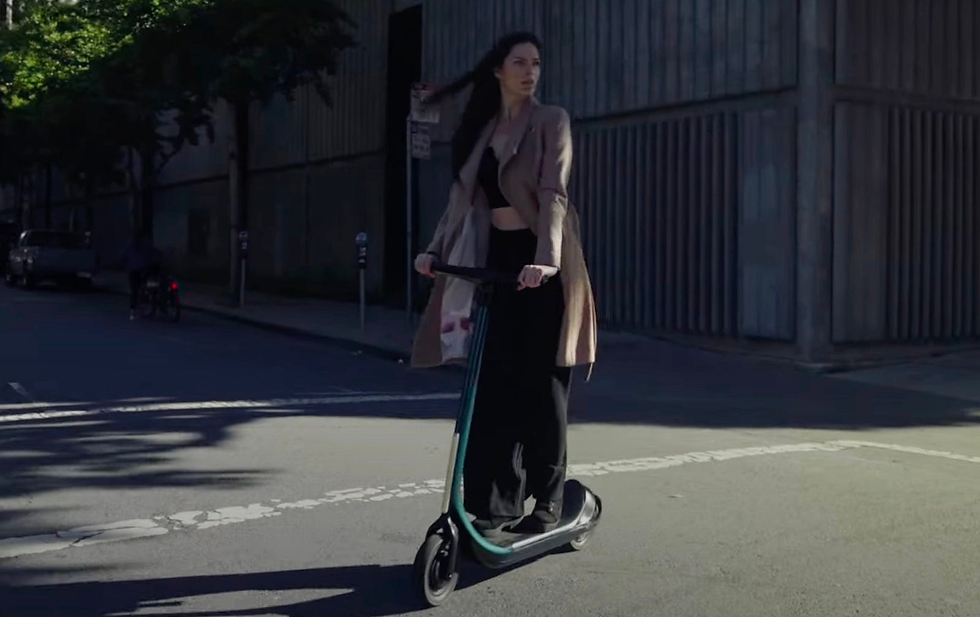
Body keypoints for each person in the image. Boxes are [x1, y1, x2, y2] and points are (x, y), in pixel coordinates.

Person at [411, 32, 598, 536]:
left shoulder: (551, 120)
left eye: (536, 62)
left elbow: (553, 192)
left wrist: (546, 260)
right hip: (497, 261)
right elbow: (461, 201)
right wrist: (434, 252)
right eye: (519, 62)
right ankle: (495, 503)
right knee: (493, 385)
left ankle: (548, 500)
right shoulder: (484, 129)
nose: (530, 71)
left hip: (543, 262)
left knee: (543, 385)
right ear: (498, 70)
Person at [123, 232, 163, 320]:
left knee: (136, 288)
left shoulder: (131, 247)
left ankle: (134, 308)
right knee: (140, 287)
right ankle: (138, 305)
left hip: (136, 270)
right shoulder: (143, 246)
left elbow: (124, 258)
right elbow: (155, 252)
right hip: (141, 269)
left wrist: (126, 266)